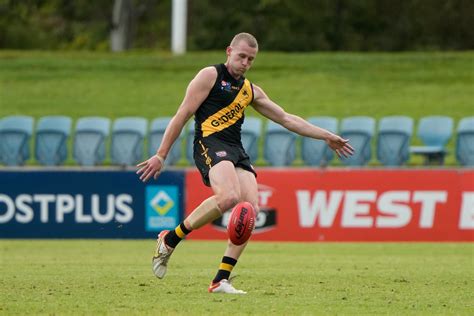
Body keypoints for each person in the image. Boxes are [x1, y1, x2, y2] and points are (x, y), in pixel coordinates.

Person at [136, 32, 354, 294]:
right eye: (241, 56)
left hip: (236, 150)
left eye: (250, 59)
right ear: (229, 51)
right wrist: (161, 154)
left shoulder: (250, 90)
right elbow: (182, 115)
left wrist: (326, 136)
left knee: (250, 211)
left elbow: (287, 119)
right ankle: (169, 239)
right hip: (210, 143)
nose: (245, 63)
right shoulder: (210, 76)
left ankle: (220, 280)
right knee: (228, 197)